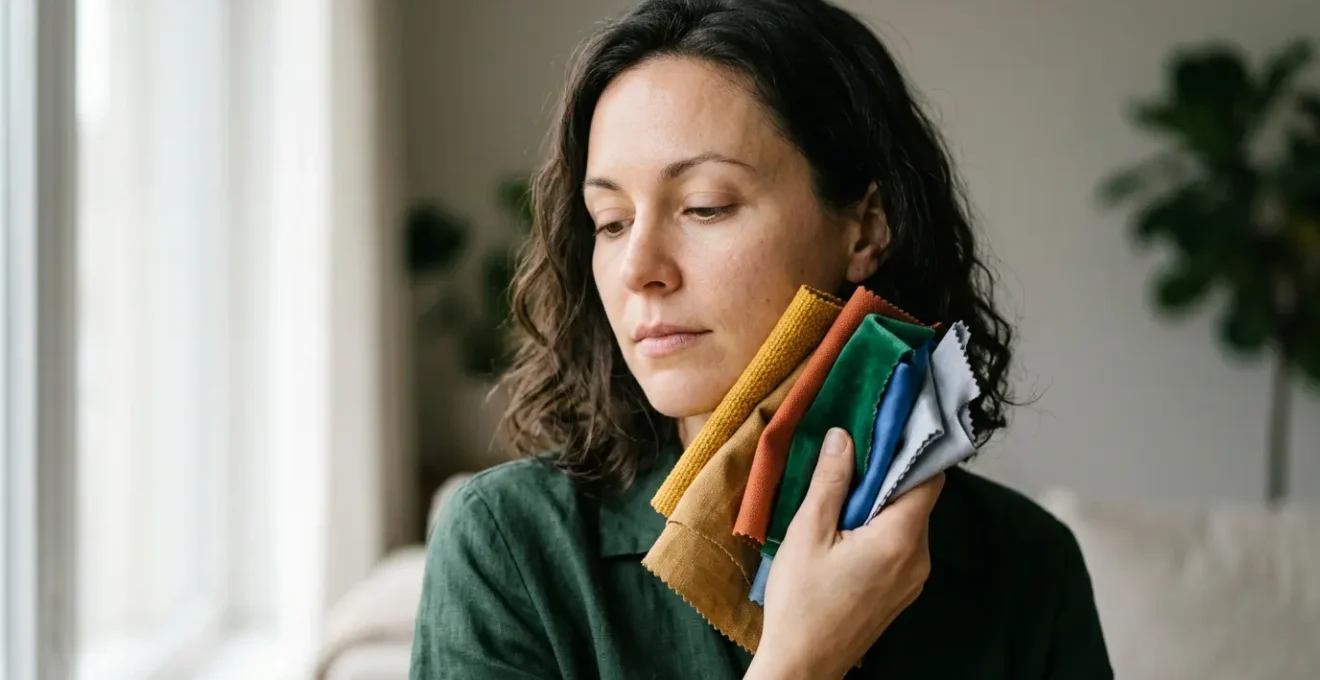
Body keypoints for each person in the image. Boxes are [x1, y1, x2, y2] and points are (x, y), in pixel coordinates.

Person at [410, 0, 1112, 678]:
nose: (639, 269)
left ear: (866, 226)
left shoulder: (1025, 566)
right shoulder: (509, 546)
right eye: (611, 221)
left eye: (704, 206)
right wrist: (800, 664)